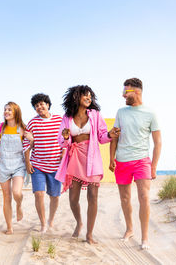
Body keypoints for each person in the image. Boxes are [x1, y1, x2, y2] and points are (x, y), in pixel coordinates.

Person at [55, 85, 119, 244]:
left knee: (93, 195)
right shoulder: (67, 117)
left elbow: (102, 137)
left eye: (90, 96)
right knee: (73, 198)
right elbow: (62, 142)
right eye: (85, 95)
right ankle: (79, 222)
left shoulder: (96, 115)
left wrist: (110, 135)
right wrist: (65, 136)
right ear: (76, 97)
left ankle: (89, 234)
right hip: (75, 157)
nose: (89, 98)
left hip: (92, 156)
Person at [109, 78, 162, 250]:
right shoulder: (121, 112)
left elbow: (158, 142)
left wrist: (153, 166)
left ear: (137, 91)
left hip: (142, 160)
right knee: (125, 198)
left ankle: (145, 237)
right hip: (122, 160)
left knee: (144, 197)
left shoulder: (150, 113)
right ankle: (130, 229)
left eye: (126, 91)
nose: (123, 94)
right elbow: (115, 137)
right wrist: (111, 159)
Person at [23, 93, 62, 233]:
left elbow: (66, 139)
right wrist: (28, 163)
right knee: (39, 193)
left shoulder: (59, 120)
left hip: (56, 165)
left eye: (41, 104)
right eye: (36, 106)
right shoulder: (32, 123)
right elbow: (26, 143)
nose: (39, 107)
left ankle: (51, 220)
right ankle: (43, 223)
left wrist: (64, 153)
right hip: (37, 164)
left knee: (54, 196)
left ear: (48, 105)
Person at [0, 102, 26, 235]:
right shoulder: (0, 127)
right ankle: (9, 227)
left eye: (9, 110)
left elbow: (29, 146)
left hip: (18, 165)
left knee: (16, 192)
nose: (6, 112)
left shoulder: (22, 128)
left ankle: (19, 205)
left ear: (16, 112)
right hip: (3, 165)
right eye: (5, 109)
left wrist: (32, 140)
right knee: (6, 197)